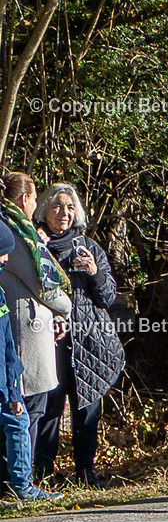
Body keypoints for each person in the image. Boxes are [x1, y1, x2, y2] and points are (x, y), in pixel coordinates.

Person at [33, 184, 125, 487]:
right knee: (49, 410)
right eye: (58, 206)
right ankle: (42, 475)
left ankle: (86, 473)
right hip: (50, 341)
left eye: (70, 207)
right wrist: (42, 251)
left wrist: (95, 271)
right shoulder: (35, 243)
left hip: (89, 342)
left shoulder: (88, 246)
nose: (64, 213)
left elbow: (108, 297)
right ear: (44, 209)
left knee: (88, 410)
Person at [0, 173, 72, 460]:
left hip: (30, 327)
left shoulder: (22, 228)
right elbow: (41, 284)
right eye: (34, 198)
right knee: (26, 409)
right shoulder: (14, 231)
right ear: (24, 199)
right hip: (24, 333)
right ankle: (20, 481)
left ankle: (22, 479)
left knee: (30, 408)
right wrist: (66, 306)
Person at [0, 219, 62, 502]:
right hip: (4, 380)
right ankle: (21, 485)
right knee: (17, 423)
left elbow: (7, 341)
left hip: (8, 375)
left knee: (18, 422)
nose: (6, 258)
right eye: (3, 252)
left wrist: (14, 374)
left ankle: (20, 484)